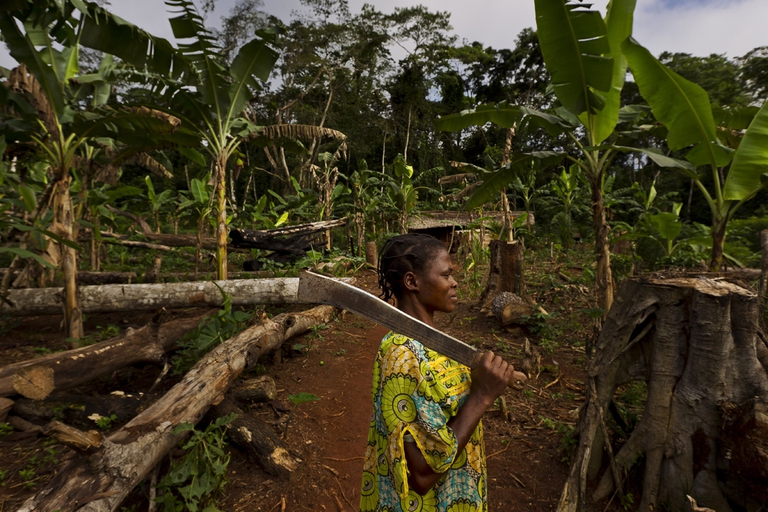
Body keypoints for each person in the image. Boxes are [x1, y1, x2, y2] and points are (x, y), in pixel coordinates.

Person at [360, 233, 515, 512]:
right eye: (446, 275)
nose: (454, 282)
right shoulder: (403, 354)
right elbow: (421, 475)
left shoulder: (433, 344)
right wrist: (481, 397)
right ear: (412, 282)